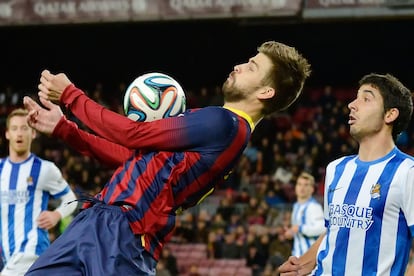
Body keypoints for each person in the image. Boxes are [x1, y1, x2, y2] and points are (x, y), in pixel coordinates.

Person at [24, 40, 311, 275]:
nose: (239, 66)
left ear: (266, 91)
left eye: (252, 66)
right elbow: (132, 157)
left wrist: (72, 96)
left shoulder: (225, 124)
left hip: (125, 234)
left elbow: (133, 134)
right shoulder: (221, 128)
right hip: (99, 219)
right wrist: (64, 130)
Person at [278, 73, 414, 275]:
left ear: (390, 115)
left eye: (366, 98)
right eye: (355, 97)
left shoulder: (407, 172)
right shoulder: (336, 169)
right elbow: (334, 229)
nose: (352, 104)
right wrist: (304, 263)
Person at [0, 108, 77, 276]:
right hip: (7, 255)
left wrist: (56, 214)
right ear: (7, 134)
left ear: (33, 133)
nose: (19, 133)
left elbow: (71, 199)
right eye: (14, 129)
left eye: (24, 128)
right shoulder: (1, 169)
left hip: (32, 251)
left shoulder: (44, 169)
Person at [282, 171, 324, 257]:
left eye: (306, 185)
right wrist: (291, 233)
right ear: (296, 187)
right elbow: (297, 230)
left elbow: (321, 229)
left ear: (312, 189)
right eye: (299, 184)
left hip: (310, 259)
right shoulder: (296, 206)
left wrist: (300, 228)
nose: (302, 188)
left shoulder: (314, 206)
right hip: (298, 256)